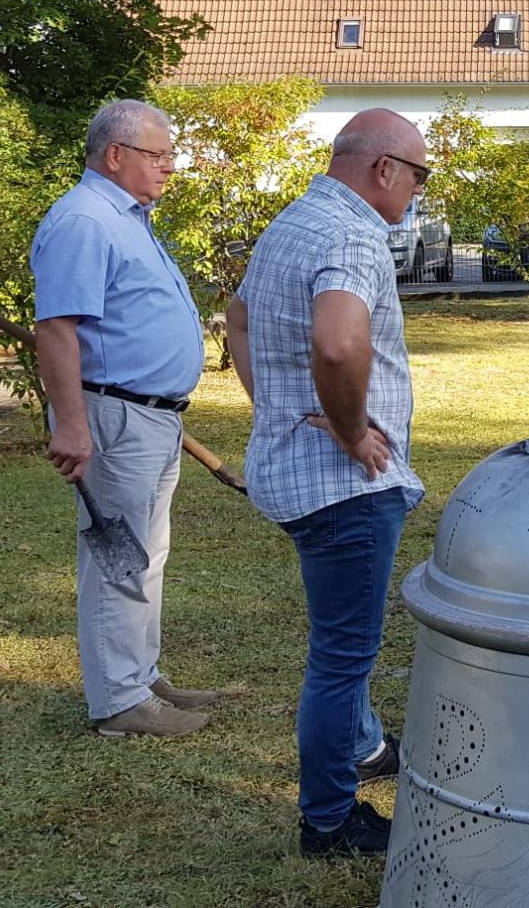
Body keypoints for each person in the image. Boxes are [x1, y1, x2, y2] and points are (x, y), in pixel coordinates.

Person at [227, 108, 427, 858]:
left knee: (341, 642)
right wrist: (347, 429)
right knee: (343, 655)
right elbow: (339, 341)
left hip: (299, 479)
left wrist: (275, 405)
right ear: (383, 169)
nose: (417, 189)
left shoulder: (296, 220)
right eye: (418, 173)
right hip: (344, 489)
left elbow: (237, 319)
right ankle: (329, 821)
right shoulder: (351, 235)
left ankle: (368, 745)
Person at [31, 99, 217, 739]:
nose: (171, 166)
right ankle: (118, 701)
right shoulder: (85, 221)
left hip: (152, 419)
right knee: (119, 557)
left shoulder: (126, 218)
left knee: (146, 553)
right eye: (158, 154)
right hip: (114, 417)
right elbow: (56, 330)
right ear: (116, 156)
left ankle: (139, 676)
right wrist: (73, 426)